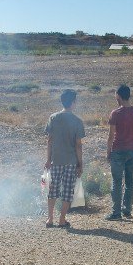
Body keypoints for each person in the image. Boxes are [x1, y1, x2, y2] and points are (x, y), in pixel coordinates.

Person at [44, 89, 85, 228]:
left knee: (53, 190)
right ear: (73, 102)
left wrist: (48, 160)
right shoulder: (77, 121)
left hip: (56, 161)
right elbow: (78, 145)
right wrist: (80, 164)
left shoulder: (53, 118)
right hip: (71, 162)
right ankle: (62, 219)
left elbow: (49, 141)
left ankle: (50, 219)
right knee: (67, 191)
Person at [106, 85, 133, 220]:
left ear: (119, 96)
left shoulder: (115, 113)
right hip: (131, 150)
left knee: (116, 182)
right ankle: (127, 210)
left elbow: (111, 136)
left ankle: (116, 213)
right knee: (130, 182)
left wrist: (108, 152)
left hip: (117, 151)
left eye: (116, 95)